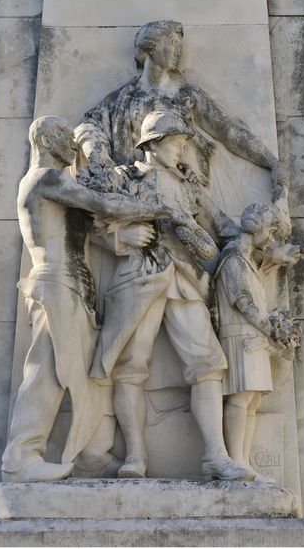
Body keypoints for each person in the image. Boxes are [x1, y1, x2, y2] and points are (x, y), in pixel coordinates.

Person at [2, 115, 189, 483]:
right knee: (46, 372)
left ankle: (91, 456)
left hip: (75, 288)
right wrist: (163, 209)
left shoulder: (59, 184)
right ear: (43, 139)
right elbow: (103, 206)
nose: (73, 146)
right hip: (56, 285)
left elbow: (87, 230)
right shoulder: (47, 179)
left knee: (85, 376)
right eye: (64, 138)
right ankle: (20, 457)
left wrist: (122, 239)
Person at [89, 110, 255, 482]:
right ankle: (134, 456)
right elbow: (94, 221)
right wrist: (118, 239)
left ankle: (215, 455)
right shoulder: (126, 176)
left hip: (185, 276)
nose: (182, 148)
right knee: (131, 365)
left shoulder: (187, 184)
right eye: (177, 142)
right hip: (139, 274)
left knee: (208, 363)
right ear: (153, 144)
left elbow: (215, 229)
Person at [75, 20, 285, 200]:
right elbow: (87, 128)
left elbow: (229, 132)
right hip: (132, 190)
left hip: (181, 190)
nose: (178, 50)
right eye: (172, 44)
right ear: (151, 47)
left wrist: (270, 162)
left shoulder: (187, 95)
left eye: (179, 45)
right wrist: (104, 164)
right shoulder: (119, 99)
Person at [215, 204, 303, 483]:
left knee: (251, 400)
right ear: (257, 229)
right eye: (269, 231)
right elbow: (243, 303)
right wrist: (271, 330)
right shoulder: (233, 259)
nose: (270, 238)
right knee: (241, 398)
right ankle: (236, 460)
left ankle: (244, 462)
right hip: (240, 335)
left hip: (252, 336)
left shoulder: (247, 260)